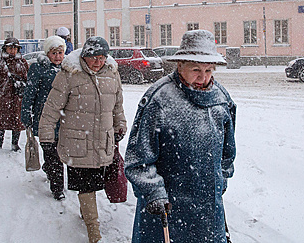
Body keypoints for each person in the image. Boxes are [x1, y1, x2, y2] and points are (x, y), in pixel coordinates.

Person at [124, 29, 237, 243]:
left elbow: (227, 152)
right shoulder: (159, 100)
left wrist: (220, 180)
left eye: (209, 70)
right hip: (166, 210)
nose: (203, 78)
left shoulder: (221, 100)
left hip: (207, 212)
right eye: (196, 69)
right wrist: (153, 191)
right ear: (180, 65)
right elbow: (138, 160)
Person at [39, 36, 126, 243]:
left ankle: (86, 212)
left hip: (102, 141)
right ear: (84, 56)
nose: (98, 62)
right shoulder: (69, 75)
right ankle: (93, 230)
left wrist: (120, 125)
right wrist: (46, 136)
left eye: (102, 57)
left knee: (94, 184)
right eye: (93, 57)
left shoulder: (112, 74)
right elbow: (51, 108)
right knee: (86, 185)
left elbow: (117, 105)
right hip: (77, 141)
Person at [21, 36, 66, 200]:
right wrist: (26, 114)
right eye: (54, 53)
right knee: (51, 151)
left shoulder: (66, 68)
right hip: (44, 117)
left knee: (57, 152)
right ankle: (58, 189)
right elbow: (29, 94)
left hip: (63, 118)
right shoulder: (38, 69)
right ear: (48, 53)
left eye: (60, 53)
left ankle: (51, 170)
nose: (58, 57)